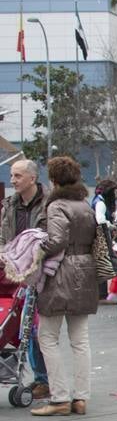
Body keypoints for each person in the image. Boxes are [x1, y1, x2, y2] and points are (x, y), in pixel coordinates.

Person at [30, 157, 99, 418]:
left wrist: (36, 250)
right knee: (80, 339)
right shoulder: (84, 204)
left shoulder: (57, 205)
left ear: (54, 180)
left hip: (61, 272)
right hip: (85, 270)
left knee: (47, 336)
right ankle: (81, 397)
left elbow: (57, 240)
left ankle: (59, 397)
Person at [0, 158, 50, 402]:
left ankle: (43, 379)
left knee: (35, 328)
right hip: (13, 271)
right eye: (12, 175)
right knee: (19, 325)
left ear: (32, 178)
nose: (13, 181)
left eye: (17, 176)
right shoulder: (9, 205)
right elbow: (2, 236)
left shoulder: (49, 204)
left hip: (40, 272)